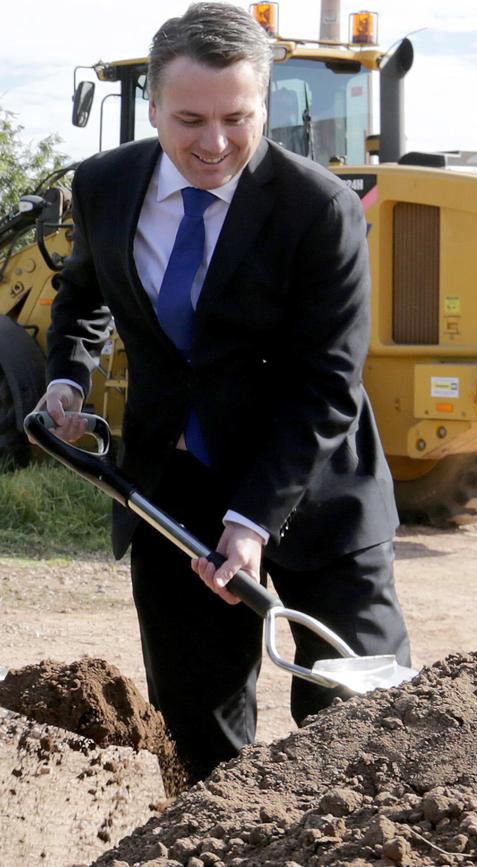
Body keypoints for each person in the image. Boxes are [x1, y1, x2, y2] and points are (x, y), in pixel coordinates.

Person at [38, 1, 411, 783]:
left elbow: (327, 381)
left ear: (264, 104)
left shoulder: (320, 210)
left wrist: (252, 518)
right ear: (151, 108)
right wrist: (69, 378)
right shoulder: (105, 187)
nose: (213, 144)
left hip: (315, 486)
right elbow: (83, 294)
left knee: (362, 719)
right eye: (189, 119)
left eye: (236, 118)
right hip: (175, 492)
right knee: (199, 727)